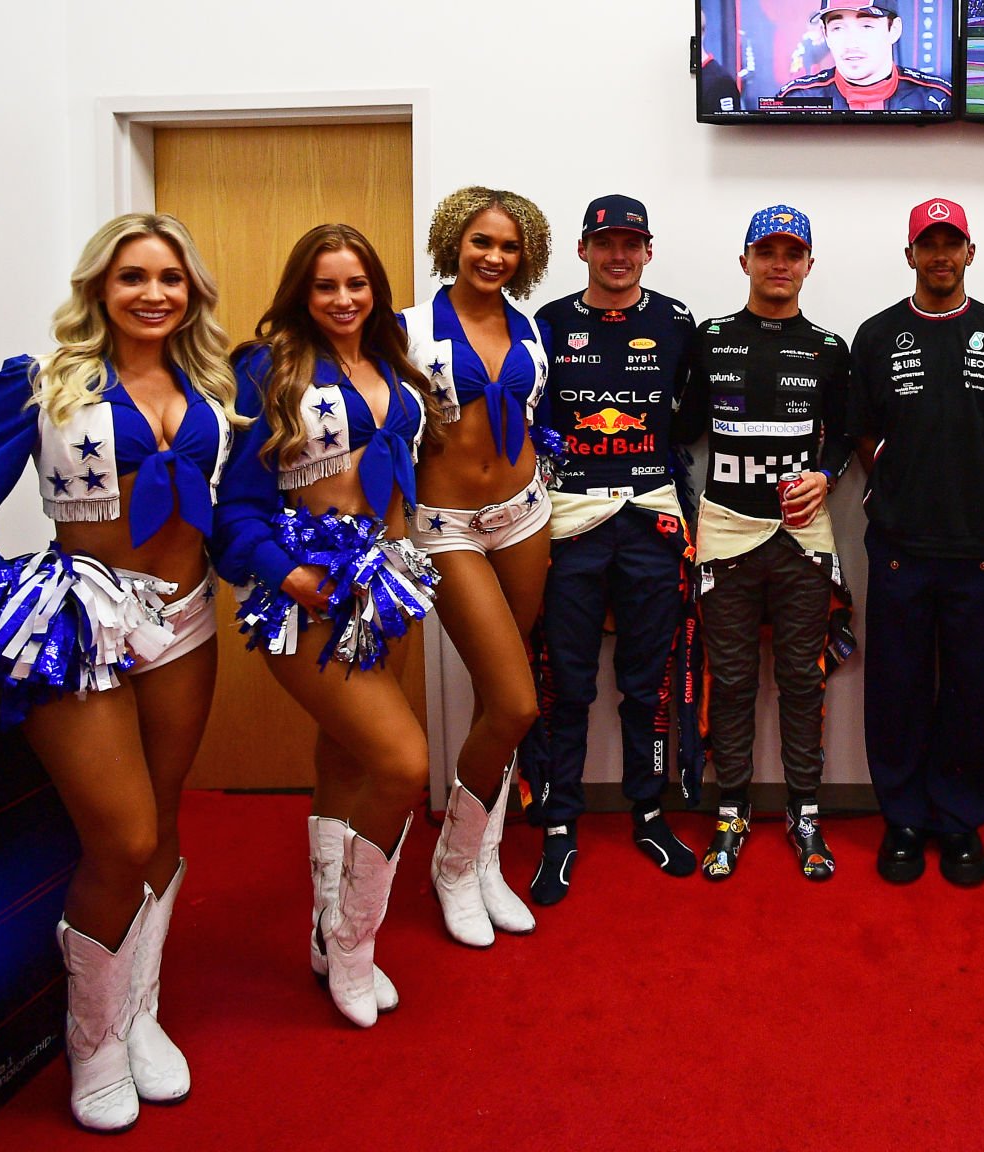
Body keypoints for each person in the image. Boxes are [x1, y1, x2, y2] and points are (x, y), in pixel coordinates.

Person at [0, 214, 240, 1131]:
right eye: (132, 277)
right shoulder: (40, 387)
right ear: (98, 290)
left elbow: (234, 505)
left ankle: (138, 1011)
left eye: (170, 277)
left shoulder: (213, 385)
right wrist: (3, 589)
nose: (153, 293)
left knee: (160, 825)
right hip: (82, 627)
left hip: (188, 621)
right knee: (116, 839)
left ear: (192, 290)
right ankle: (93, 1038)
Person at [213, 224, 438, 1029]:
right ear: (300, 295)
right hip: (311, 596)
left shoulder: (394, 366)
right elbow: (233, 507)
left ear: (375, 289)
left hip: (389, 585)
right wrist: (288, 573)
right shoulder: (267, 372)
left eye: (357, 284)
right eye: (325, 287)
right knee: (404, 761)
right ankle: (353, 943)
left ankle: (324, 933)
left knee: (349, 760)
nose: (343, 300)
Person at [521, 195, 702, 904]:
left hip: (653, 512)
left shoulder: (677, 321)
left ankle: (649, 811)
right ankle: (560, 821)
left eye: (631, 244)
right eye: (606, 243)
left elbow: (695, 411)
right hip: (572, 517)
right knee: (567, 681)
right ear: (584, 249)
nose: (618, 255)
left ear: (648, 251)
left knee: (645, 679)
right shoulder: (551, 322)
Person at [848, 198, 984, 886]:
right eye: (929, 244)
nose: (941, 256)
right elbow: (861, 431)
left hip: (979, 546)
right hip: (899, 544)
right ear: (911, 256)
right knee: (895, 687)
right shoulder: (877, 334)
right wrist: (886, 486)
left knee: (971, 691)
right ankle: (902, 819)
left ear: (970, 254)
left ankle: (957, 821)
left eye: (952, 244)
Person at [673, 204, 854, 881]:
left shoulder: (830, 347)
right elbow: (684, 427)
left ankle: (806, 814)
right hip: (724, 531)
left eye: (793, 252)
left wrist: (827, 475)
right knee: (736, 682)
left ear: (809, 264)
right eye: (767, 251)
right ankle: (732, 814)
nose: (780, 263)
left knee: (802, 682)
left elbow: (842, 437)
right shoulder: (710, 338)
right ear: (744, 260)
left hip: (801, 533)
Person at [403, 186, 553, 948]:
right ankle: (455, 865)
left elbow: (532, 420)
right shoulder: (405, 329)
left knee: (502, 700)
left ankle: (485, 856)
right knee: (517, 702)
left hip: (523, 514)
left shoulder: (529, 329)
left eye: (508, 246)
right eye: (480, 242)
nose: (493, 257)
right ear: (452, 243)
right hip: (447, 526)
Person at [776, 4, 954, 112]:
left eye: (867, 26)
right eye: (838, 28)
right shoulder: (795, 98)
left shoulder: (939, 97)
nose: (852, 43)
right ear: (825, 34)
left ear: (894, 30)